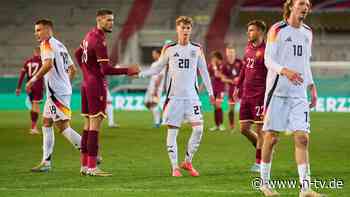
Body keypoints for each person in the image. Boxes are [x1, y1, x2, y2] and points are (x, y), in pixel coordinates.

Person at [259, 1, 324, 196]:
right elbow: (268, 59)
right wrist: (284, 70)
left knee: (303, 138)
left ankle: (305, 189)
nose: (305, 7)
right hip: (277, 92)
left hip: (298, 94)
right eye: (301, 3)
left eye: (308, 4)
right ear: (291, 6)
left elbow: (305, 63)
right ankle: (264, 183)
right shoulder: (277, 30)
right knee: (271, 139)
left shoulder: (308, 32)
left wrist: (311, 85)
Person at [139, 16, 215, 177]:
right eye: (182, 27)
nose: (185, 31)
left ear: (191, 30)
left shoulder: (197, 49)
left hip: (192, 97)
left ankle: (187, 161)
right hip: (174, 98)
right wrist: (140, 74)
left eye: (188, 28)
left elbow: (204, 72)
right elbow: (157, 68)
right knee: (172, 132)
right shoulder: (169, 48)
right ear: (177, 29)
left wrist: (210, 93)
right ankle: (175, 167)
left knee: (199, 129)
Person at [75, 9, 140, 176]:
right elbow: (106, 69)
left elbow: (77, 53)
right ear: (99, 20)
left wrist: (86, 72)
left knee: (87, 126)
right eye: (108, 20)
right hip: (96, 85)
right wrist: (128, 70)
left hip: (86, 84)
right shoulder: (99, 41)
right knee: (95, 126)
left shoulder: (89, 35)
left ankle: (84, 165)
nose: (111, 23)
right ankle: (92, 167)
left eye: (112, 20)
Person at [26, 19, 82, 172]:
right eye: (35, 30)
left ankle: (91, 153)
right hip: (59, 91)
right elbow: (73, 70)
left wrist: (33, 79)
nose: (36, 33)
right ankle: (46, 162)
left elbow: (48, 64)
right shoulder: (61, 45)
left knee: (63, 127)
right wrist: (66, 84)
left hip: (56, 92)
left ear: (48, 29)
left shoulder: (46, 44)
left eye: (39, 30)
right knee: (46, 123)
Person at [234, 20, 267, 172]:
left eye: (252, 30)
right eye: (248, 30)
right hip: (246, 95)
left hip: (260, 96)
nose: (248, 33)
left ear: (260, 32)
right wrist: (237, 87)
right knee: (244, 129)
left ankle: (259, 162)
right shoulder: (248, 48)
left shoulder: (267, 51)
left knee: (260, 131)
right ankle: (264, 148)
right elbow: (243, 69)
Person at [16, 47, 44, 134]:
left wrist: (18, 87)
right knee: (36, 105)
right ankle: (34, 128)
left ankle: (33, 126)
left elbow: (22, 75)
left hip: (29, 86)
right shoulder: (42, 62)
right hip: (38, 85)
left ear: (34, 52)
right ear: (40, 52)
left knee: (33, 106)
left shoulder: (28, 62)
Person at [223, 46, 243, 131]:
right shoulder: (225, 65)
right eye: (229, 52)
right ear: (226, 53)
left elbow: (246, 71)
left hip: (242, 88)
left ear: (234, 53)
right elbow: (223, 78)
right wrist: (231, 81)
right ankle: (232, 126)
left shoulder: (240, 62)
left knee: (245, 107)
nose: (230, 54)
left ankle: (245, 125)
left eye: (232, 52)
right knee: (231, 109)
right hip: (231, 90)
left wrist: (239, 78)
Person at [144, 49, 164, 128]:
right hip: (151, 87)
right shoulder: (154, 64)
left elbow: (161, 76)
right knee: (146, 103)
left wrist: (156, 88)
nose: (153, 55)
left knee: (154, 104)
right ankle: (159, 118)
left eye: (154, 54)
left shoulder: (161, 63)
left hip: (157, 88)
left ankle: (157, 123)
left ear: (158, 54)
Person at [208, 51, 226, 131]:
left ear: (217, 58)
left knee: (218, 105)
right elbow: (207, 73)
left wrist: (215, 67)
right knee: (215, 107)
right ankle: (216, 125)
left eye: (214, 58)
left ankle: (221, 124)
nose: (213, 59)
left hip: (220, 89)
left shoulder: (222, 65)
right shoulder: (211, 66)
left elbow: (217, 75)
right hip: (213, 88)